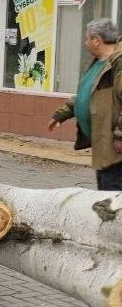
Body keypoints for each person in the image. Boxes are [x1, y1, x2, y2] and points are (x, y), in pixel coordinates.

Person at [48, 18, 122, 191]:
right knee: (105, 190)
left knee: (113, 197)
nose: (85, 43)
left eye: (87, 38)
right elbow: (85, 96)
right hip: (103, 144)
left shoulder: (117, 63)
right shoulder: (98, 63)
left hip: (115, 147)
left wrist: (120, 136)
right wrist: (61, 114)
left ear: (97, 40)